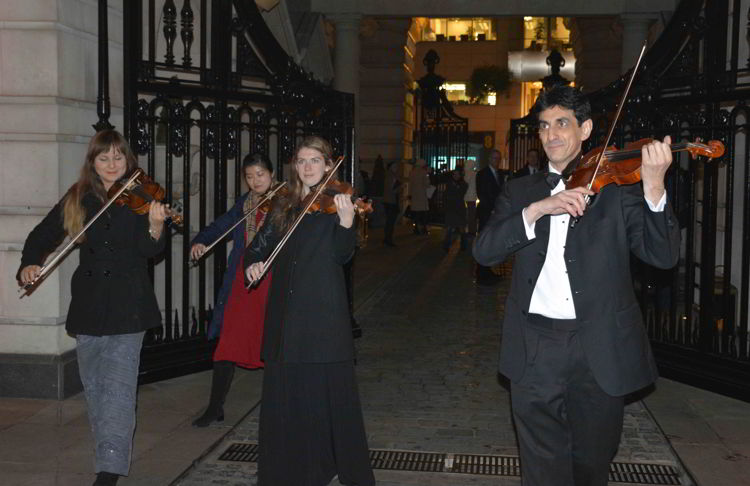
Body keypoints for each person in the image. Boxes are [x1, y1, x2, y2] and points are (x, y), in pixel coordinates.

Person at [473, 85, 680, 486]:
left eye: (562, 123)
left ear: (585, 130)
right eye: (544, 126)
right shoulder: (520, 191)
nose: (551, 134)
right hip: (534, 346)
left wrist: (654, 186)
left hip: (597, 348)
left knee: (590, 464)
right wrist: (536, 211)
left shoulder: (619, 190)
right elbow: (485, 253)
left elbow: (663, 256)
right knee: (541, 469)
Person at [16, 130, 168, 486]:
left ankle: (109, 470)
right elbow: (41, 235)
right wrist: (29, 263)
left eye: (118, 157)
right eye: (104, 158)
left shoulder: (144, 194)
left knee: (118, 389)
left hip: (129, 306)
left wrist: (156, 226)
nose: (112, 165)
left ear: (127, 159)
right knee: (97, 389)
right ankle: (109, 451)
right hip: (88, 305)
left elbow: (151, 254)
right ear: (93, 163)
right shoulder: (79, 197)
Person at [244, 136, 375, 486]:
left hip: (321, 317)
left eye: (314, 160)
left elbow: (341, 257)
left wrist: (347, 224)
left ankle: (325, 464)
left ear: (328, 165)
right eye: (301, 161)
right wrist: (253, 264)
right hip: (286, 317)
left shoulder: (338, 202)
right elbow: (259, 246)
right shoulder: (284, 204)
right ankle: (290, 469)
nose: (307, 167)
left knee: (323, 399)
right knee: (289, 398)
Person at [189, 153, 275, 427]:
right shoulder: (245, 204)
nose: (255, 181)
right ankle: (215, 408)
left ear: (271, 174)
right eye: (249, 176)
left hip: (272, 279)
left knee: (272, 342)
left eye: (260, 174)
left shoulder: (287, 202)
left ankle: (279, 408)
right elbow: (221, 225)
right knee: (228, 342)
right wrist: (201, 240)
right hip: (241, 280)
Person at [474, 148, 506, 284]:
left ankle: (488, 271)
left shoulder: (499, 174)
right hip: (486, 213)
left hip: (495, 214)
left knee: (492, 243)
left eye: (498, 159)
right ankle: (481, 273)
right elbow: (482, 194)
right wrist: (493, 208)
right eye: (494, 158)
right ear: (489, 159)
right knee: (484, 242)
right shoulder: (482, 174)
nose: (496, 161)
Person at [442, 168, 468, 251]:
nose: (456, 176)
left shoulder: (463, 184)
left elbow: (460, 193)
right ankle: (446, 246)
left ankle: (463, 245)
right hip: (451, 208)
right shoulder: (449, 183)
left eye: (457, 174)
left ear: (460, 175)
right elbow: (446, 195)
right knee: (449, 227)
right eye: (454, 174)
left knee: (461, 227)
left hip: (459, 208)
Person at [382, 161, 402, 246]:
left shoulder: (388, 175)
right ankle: (388, 239)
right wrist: (400, 187)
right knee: (390, 221)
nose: (396, 168)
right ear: (391, 167)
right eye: (395, 166)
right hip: (391, 202)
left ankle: (387, 238)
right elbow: (392, 190)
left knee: (389, 221)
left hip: (388, 201)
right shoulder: (391, 176)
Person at [408, 158, 430, 234]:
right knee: (423, 213)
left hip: (414, 195)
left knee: (416, 213)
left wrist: (410, 194)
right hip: (422, 195)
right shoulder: (424, 172)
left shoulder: (412, 172)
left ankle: (416, 228)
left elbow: (410, 184)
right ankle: (424, 228)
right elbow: (427, 184)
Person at [463, 158, 478, 237]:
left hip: (466, 197)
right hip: (472, 197)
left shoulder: (466, 174)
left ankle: (470, 229)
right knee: (472, 214)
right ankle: (473, 229)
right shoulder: (475, 174)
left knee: (468, 214)